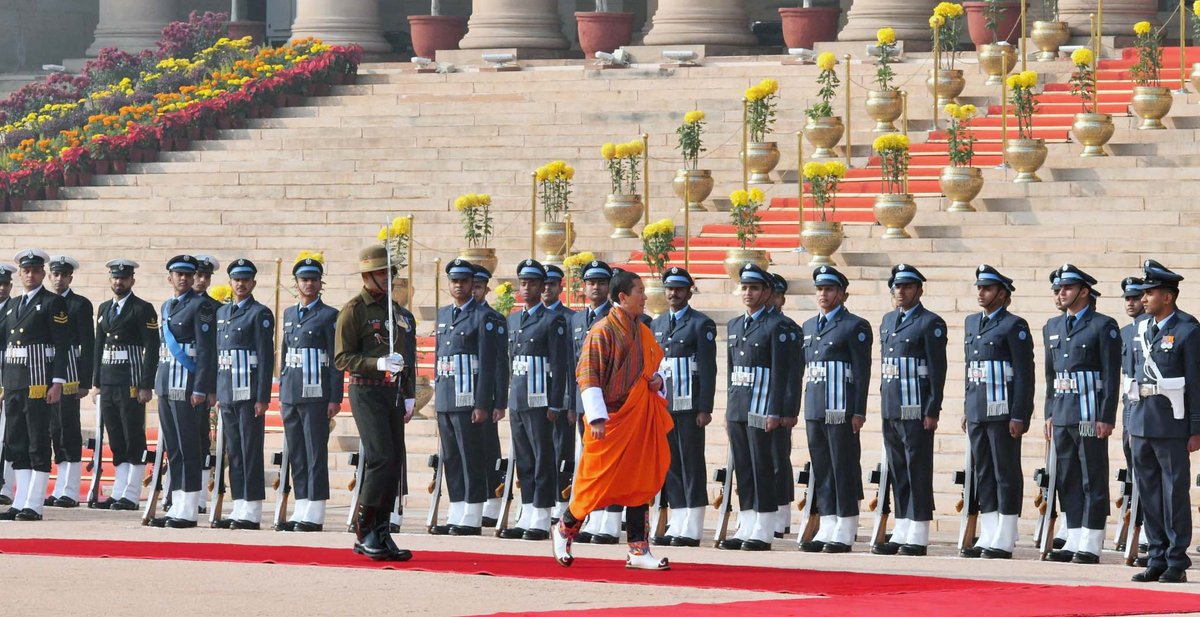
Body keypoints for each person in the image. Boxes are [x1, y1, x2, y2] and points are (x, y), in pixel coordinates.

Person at [552, 269, 673, 570]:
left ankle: (638, 549)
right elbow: (588, 376)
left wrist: (657, 380)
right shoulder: (602, 331)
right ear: (623, 297)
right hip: (609, 420)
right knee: (595, 482)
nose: (645, 297)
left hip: (639, 416)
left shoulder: (642, 330)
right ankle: (565, 528)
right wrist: (596, 418)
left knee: (640, 481)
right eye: (640, 292)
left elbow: (652, 368)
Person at [335, 244, 413, 561]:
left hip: (391, 391)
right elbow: (342, 358)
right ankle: (364, 528)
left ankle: (382, 531)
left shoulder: (395, 311)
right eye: (383, 272)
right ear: (368, 276)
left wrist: (408, 391)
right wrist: (376, 364)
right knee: (380, 457)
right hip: (366, 390)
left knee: (394, 461)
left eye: (390, 272)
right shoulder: (354, 310)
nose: (388, 277)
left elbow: (404, 355)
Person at [1041, 265, 1120, 565]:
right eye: (1059, 289)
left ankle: (1091, 539)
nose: (1060, 293)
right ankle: (1073, 536)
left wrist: (1106, 416)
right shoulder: (1052, 326)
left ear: (1084, 291)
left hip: (1090, 412)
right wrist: (1049, 412)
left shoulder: (1103, 326)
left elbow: (1112, 375)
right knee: (1068, 477)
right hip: (1062, 412)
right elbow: (1050, 375)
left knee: (1092, 477)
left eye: (1067, 289)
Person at [1128, 260, 1200, 584]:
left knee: (1174, 493)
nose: (1144, 298)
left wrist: (1196, 428)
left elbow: (1197, 383)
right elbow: (1133, 378)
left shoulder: (1187, 329)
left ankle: (1176, 560)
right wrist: (1130, 423)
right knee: (1148, 493)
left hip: (1172, 424)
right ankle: (1156, 556)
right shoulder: (1141, 329)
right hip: (1142, 422)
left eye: (1150, 292)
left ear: (1167, 296)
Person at [960, 265, 1035, 559]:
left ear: (1002, 294)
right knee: (983, 473)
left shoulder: (1014, 325)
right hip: (978, 409)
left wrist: (1020, 414)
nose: (981, 293)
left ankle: (1005, 532)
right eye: (979, 288)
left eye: (987, 289)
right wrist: (968, 408)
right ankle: (989, 530)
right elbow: (970, 369)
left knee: (1005, 471)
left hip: (1002, 410)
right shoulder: (970, 322)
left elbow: (1023, 373)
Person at [874, 264, 947, 556]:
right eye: (897, 287)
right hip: (892, 405)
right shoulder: (888, 320)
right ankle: (902, 525)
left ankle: (918, 530)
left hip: (916, 407)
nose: (900, 292)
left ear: (919, 290)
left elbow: (936, 370)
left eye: (906, 286)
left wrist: (933, 408)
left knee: (917, 467)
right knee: (897, 468)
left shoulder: (930, 323)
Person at [799, 266, 872, 554]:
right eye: (819, 289)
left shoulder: (855, 326)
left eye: (829, 289)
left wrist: (858, 410)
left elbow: (861, 371)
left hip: (840, 407)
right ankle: (828, 521)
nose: (823, 294)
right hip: (816, 406)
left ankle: (846, 523)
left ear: (842, 294)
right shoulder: (808, 326)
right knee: (823, 467)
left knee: (843, 465)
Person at [431, 259, 504, 536]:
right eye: (454, 281)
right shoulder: (442, 315)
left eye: (463, 281)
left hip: (468, 396)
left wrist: (483, 403)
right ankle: (457, 509)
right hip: (446, 396)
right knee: (451, 457)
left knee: (470, 456)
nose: (459, 285)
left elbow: (488, 364)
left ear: (472, 283)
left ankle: (472, 514)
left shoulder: (483, 317)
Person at [720, 264, 790, 552]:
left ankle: (763, 526)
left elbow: (783, 373)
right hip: (739, 405)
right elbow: (731, 369)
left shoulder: (777, 326)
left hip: (763, 406)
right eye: (745, 288)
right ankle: (746, 522)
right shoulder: (736, 325)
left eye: (755, 288)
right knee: (744, 468)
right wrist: (728, 409)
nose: (748, 293)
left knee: (763, 467)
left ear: (767, 292)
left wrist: (776, 410)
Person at [500, 259, 571, 541]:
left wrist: (556, 402)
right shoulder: (514, 319)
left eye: (532, 283)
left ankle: (542, 516)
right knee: (525, 458)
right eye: (523, 282)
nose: (526, 288)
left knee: (543, 457)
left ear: (543, 286)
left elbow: (560, 363)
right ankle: (527, 511)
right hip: (518, 398)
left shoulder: (553, 320)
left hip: (541, 398)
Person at [0, 249, 72, 521]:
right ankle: (20, 501)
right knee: (16, 441)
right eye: (26, 271)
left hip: (39, 383)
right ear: (20, 274)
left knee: (37, 440)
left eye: (35, 271)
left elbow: (62, 345)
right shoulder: (14, 304)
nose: (30, 275)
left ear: (43, 273)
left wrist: (57, 382)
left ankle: (35, 502)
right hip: (15, 382)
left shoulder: (53, 303)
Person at [650, 267, 716, 548]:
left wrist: (705, 407)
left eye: (678, 288)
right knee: (671, 464)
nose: (673, 293)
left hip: (689, 406)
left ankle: (693, 522)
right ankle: (677, 518)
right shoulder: (657, 324)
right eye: (669, 288)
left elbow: (707, 369)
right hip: (665, 404)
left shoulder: (701, 324)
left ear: (689, 291)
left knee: (691, 463)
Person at [276, 252, 343, 532]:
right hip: (292, 392)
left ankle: (314, 510)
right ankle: (300, 504)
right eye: (304, 280)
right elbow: (285, 353)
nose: (309, 284)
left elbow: (336, 359)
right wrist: (281, 391)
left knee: (316, 451)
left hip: (316, 394)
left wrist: (334, 397)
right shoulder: (290, 314)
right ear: (296, 283)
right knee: (297, 453)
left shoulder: (329, 315)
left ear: (320, 283)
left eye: (314, 280)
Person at [211, 259, 275, 530]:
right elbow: (218, 355)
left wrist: (263, 396)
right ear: (230, 282)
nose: (241, 283)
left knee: (250, 450)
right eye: (237, 279)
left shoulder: (259, 313)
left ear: (254, 283)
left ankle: (252, 508)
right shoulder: (222, 313)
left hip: (249, 392)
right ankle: (239, 505)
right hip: (227, 391)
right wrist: (216, 393)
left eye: (246, 279)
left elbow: (265, 356)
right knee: (234, 451)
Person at [92, 259, 158, 511]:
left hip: (130, 381)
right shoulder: (104, 308)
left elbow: (151, 348)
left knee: (133, 436)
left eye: (123, 278)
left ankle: (131, 493)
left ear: (132, 280)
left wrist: (145, 384)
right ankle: (118, 491)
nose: (119, 282)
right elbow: (99, 346)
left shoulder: (142, 309)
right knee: (116, 437)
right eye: (115, 278)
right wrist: (96, 382)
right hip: (108, 381)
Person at [567, 260, 623, 543]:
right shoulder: (577, 319)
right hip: (584, 402)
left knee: (610, 461)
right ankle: (594, 515)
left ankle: (610, 521)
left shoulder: (617, 318)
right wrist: (569, 402)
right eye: (591, 283)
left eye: (601, 283)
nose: (596, 288)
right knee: (592, 461)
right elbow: (571, 364)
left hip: (610, 400)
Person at [43, 256, 94, 508]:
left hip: (71, 372)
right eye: (55, 274)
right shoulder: (47, 302)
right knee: (53, 429)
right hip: (47, 371)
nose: (59, 279)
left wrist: (85, 380)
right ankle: (59, 487)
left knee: (68, 429)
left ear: (70, 278)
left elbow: (88, 343)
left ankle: (71, 490)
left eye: (63, 275)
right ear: (49, 276)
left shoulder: (79, 304)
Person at [472, 264, 509, 527]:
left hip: (486, 397)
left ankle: (494, 499)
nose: (473, 290)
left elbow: (499, 363)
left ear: (486, 289)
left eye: (477, 286)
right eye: (470, 284)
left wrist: (499, 402)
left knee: (488, 448)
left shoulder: (493, 318)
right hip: (462, 396)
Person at [768, 273, 801, 539]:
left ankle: (780, 514)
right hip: (757, 404)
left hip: (779, 408)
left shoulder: (789, 328)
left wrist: (788, 410)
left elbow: (792, 373)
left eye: (776, 294)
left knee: (779, 460)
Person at [542, 264, 575, 522]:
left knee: (561, 448)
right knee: (540, 451)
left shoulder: (569, 318)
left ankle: (561, 498)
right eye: (543, 284)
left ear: (560, 287)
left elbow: (568, 362)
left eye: (551, 284)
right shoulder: (530, 317)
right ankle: (541, 499)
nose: (546, 289)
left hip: (561, 396)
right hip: (535, 396)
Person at [192, 255, 221, 509]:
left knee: (200, 437)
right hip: (178, 383)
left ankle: (199, 496)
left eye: (205, 276)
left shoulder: (215, 308)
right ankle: (175, 492)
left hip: (201, 384)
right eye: (198, 275)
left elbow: (212, 351)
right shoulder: (174, 305)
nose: (201, 280)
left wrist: (211, 387)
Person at [0, 264, 17, 506]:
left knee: (8, 433)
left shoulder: (16, 307)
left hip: (8, 373)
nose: (1, 288)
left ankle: (5, 485)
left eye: (4, 284)